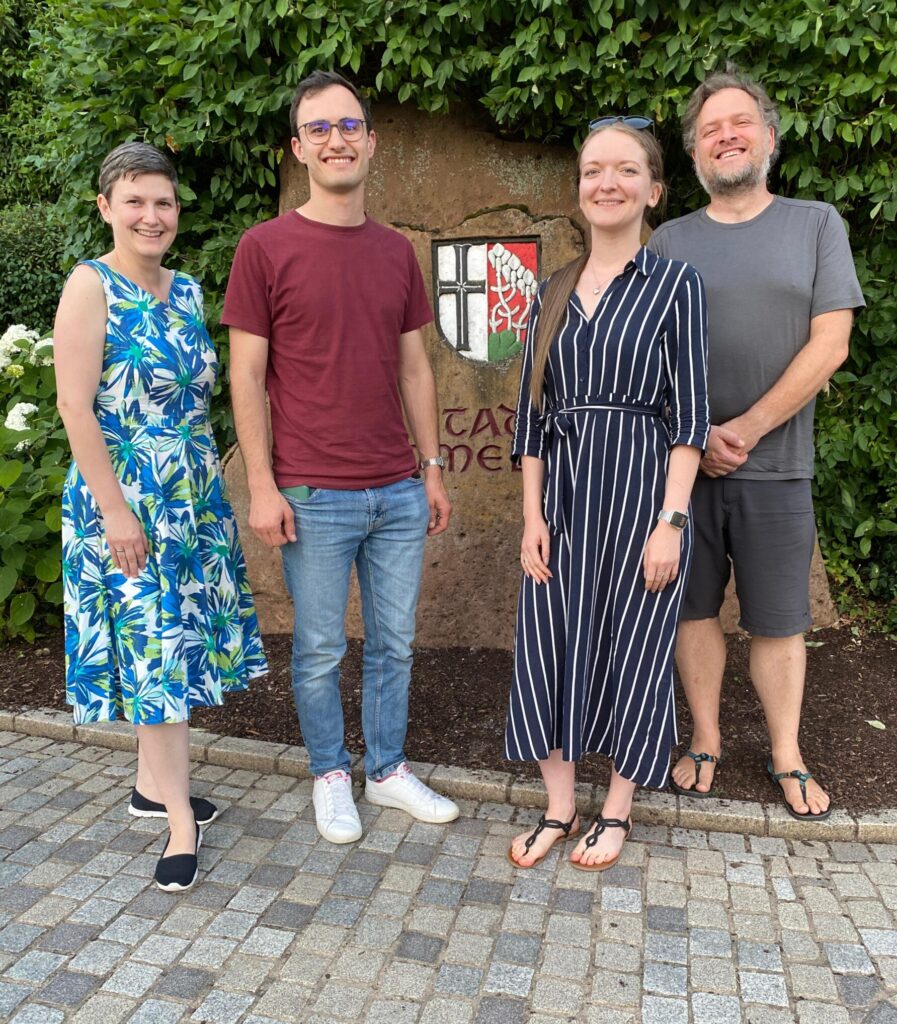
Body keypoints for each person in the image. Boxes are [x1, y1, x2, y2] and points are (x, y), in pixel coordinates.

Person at [223, 70, 459, 845]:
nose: (336, 139)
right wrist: (261, 485)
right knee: (319, 647)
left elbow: (415, 367)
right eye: (319, 128)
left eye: (348, 125)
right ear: (298, 148)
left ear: (371, 141)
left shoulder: (394, 252)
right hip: (312, 491)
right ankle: (331, 773)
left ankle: (385, 770)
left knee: (395, 642)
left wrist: (430, 467)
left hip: (395, 488)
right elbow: (246, 375)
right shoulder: (263, 248)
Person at [650, 69, 864, 819]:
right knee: (691, 611)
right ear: (695, 152)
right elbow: (649, 355)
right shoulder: (668, 239)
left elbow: (830, 342)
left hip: (776, 467)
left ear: (768, 137)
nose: (725, 136)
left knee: (778, 620)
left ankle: (784, 752)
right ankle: (703, 737)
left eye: (739, 123)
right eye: (709, 129)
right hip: (683, 470)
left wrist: (744, 428)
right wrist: (698, 428)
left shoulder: (815, 224)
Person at [55, 142, 268, 892]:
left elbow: (194, 404)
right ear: (106, 207)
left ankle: (153, 787)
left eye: (164, 202)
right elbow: (75, 407)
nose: (152, 215)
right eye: (135, 200)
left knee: (175, 647)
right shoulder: (90, 287)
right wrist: (115, 511)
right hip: (123, 502)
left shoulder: (186, 291)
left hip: (190, 502)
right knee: (156, 659)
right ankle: (179, 819)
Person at [506, 117, 710, 870]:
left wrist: (671, 520)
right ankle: (559, 807)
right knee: (547, 645)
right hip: (560, 501)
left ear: (652, 190)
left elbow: (690, 416)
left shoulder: (675, 285)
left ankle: (617, 811)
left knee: (636, 647)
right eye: (594, 170)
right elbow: (530, 417)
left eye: (626, 170)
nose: (607, 183)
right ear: (579, 188)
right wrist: (531, 516)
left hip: (640, 494)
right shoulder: (550, 290)